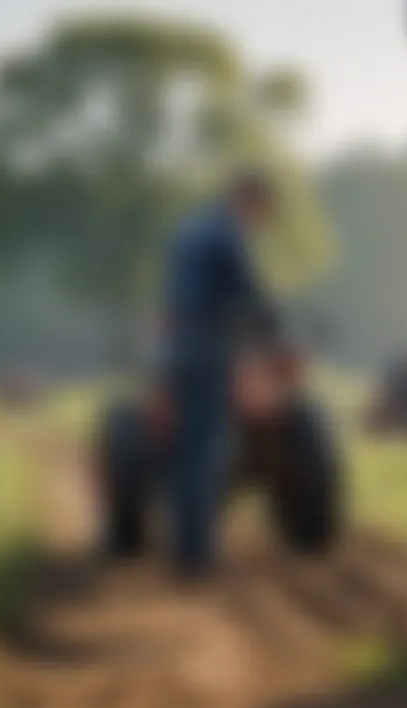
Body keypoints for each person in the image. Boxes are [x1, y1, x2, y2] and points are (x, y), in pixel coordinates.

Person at [165, 171, 277, 578]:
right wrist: (271, 326)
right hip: (211, 346)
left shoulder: (190, 229)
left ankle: (185, 547)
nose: (259, 222)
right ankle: (200, 554)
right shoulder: (227, 234)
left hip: (178, 346)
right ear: (248, 199)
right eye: (261, 212)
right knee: (211, 448)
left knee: (188, 447)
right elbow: (247, 289)